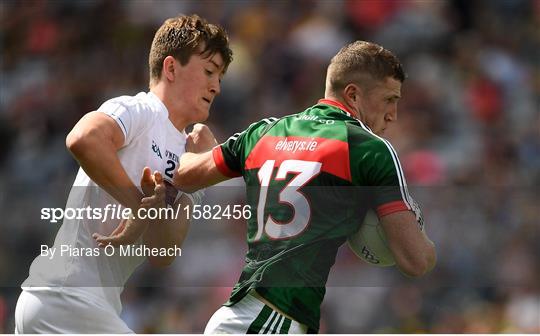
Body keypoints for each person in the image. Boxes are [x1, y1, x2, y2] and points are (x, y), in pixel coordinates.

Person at [174, 41, 436, 333]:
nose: (393, 114)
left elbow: (184, 175)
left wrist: (200, 150)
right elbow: (416, 260)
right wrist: (421, 231)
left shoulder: (264, 132)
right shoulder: (369, 149)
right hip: (271, 322)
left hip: (246, 318)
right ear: (353, 95)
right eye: (389, 99)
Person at [15, 14, 232, 333]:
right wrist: (138, 207)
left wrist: (199, 172)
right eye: (209, 71)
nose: (216, 86)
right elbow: (83, 139)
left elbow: (164, 252)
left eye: (221, 78)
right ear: (171, 68)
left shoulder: (188, 153)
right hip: (64, 297)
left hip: (87, 305)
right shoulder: (141, 110)